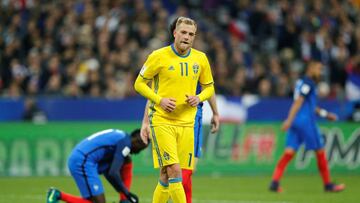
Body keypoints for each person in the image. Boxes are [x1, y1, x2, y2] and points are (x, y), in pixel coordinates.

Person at [134, 16, 215, 203]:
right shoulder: (158, 56)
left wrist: (199, 97)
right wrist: (159, 100)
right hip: (162, 120)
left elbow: (209, 87)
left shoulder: (200, 59)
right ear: (175, 33)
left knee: (166, 175)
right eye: (184, 32)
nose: (187, 37)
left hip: (187, 123)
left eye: (191, 34)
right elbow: (139, 84)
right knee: (175, 170)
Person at [269, 60, 345, 193]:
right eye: (319, 68)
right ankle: (328, 185)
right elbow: (298, 102)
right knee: (320, 151)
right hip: (306, 123)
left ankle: (274, 182)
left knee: (289, 152)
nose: (320, 72)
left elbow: (309, 106)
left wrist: (325, 114)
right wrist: (288, 120)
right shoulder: (308, 83)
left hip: (296, 122)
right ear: (310, 68)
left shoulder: (301, 83)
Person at [46, 128, 148, 203]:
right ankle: (57, 195)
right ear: (137, 139)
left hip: (86, 159)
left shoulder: (121, 136)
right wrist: (127, 193)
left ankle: (124, 199)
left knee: (127, 161)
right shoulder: (125, 143)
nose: (138, 151)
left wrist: (124, 193)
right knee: (99, 202)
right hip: (83, 160)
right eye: (141, 147)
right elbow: (113, 173)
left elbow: (109, 172)